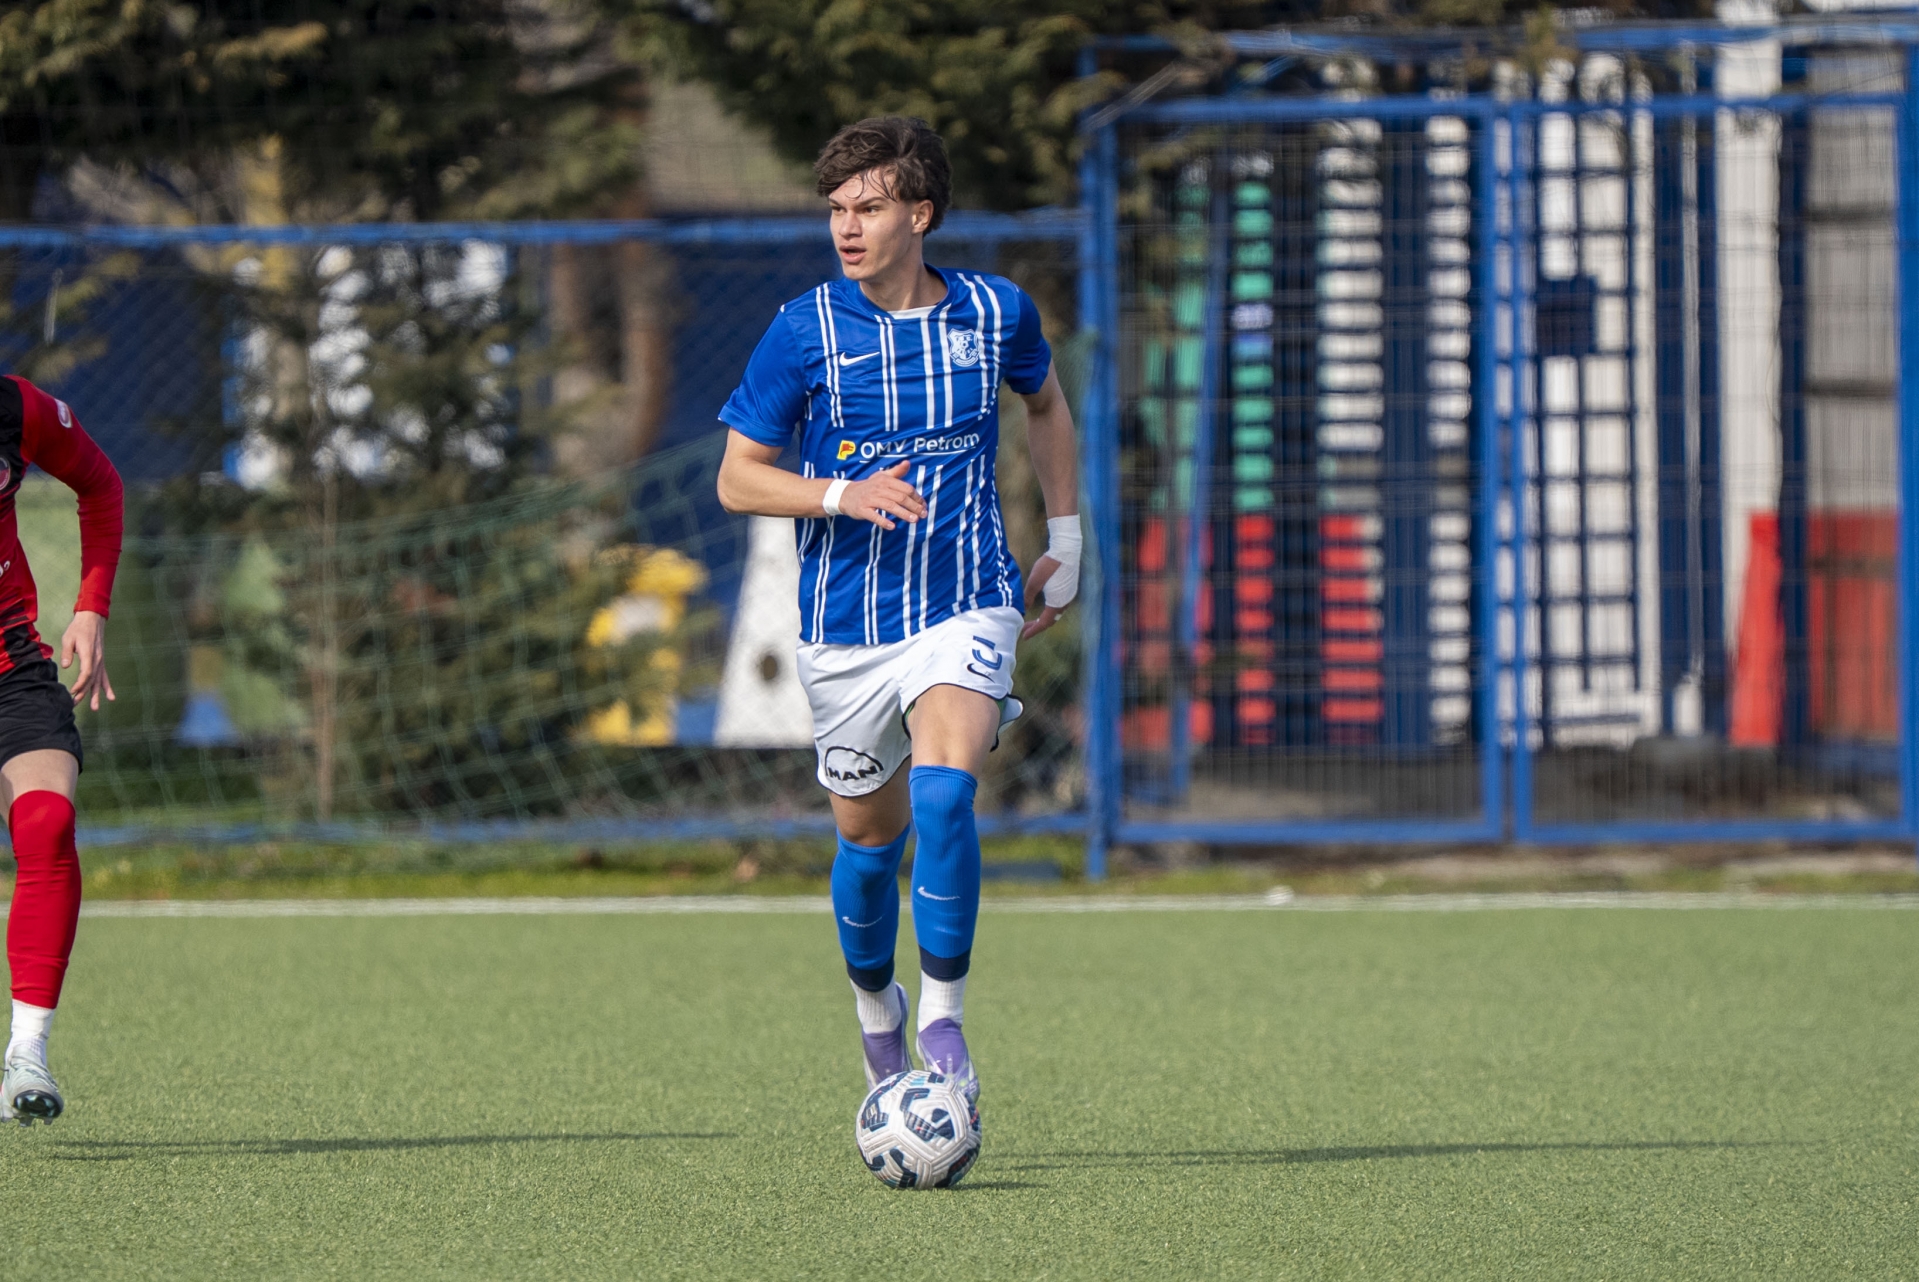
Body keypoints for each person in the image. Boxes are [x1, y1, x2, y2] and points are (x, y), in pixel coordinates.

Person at [716, 117, 1080, 1102]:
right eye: (836, 209)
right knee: (869, 846)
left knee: (946, 794)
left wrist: (1068, 539)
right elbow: (737, 480)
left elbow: (1046, 404)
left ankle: (943, 1017)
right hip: (845, 628)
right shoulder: (804, 330)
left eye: (868, 207)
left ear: (918, 215)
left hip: (966, 599)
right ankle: (877, 1012)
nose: (846, 226)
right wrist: (841, 494)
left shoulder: (995, 312)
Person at [0, 376, 124, 1125]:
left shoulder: (16, 408)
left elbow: (100, 485)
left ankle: (27, 1052)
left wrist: (91, 607)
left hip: (10, 670)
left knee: (46, 824)